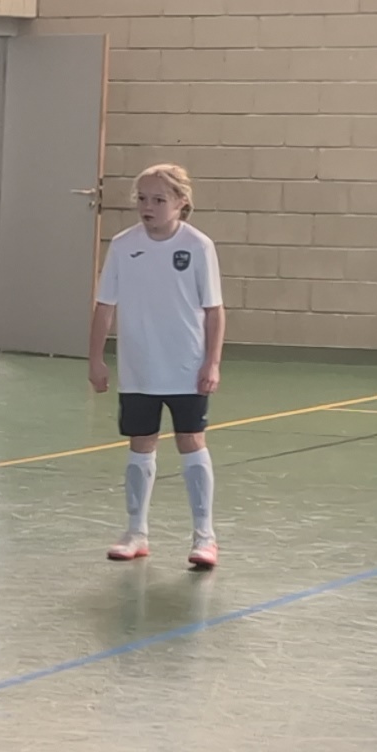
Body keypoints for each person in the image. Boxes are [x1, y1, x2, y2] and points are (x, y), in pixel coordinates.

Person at [87, 163, 226, 569]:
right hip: (139, 369)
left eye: (159, 199)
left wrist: (212, 362)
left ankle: (205, 537)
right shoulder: (123, 245)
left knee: (191, 441)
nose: (148, 207)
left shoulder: (199, 246)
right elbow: (105, 306)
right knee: (140, 443)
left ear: (181, 203)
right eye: (142, 199)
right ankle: (136, 532)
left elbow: (214, 310)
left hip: (186, 367)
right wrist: (96, 358)